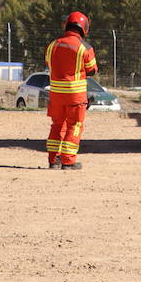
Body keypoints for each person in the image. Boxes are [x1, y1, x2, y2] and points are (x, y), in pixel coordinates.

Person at [45, 11, 98, 170]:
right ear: (84, 28)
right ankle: (68, 161)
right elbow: (92, 70)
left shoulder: (52, 45)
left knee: (57, 126)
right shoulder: (85, 48)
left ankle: (53, 160)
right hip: (75, 96)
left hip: (56, 95)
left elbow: (49, 64)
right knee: (74, 126)